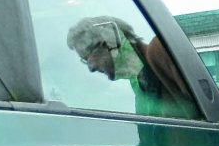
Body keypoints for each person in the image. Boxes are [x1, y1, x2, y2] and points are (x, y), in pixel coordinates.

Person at [67, 15, 200, 120]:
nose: (91, 68)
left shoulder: (159, 50)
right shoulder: (139, 86)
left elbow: (205, 110)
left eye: (88, 58)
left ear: (107, 43)